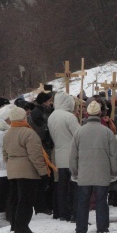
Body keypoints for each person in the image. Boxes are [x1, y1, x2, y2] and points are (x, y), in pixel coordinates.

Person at [70, 100, 117, 233]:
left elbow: (73, 155)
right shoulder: (107, 132)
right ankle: (102, 228)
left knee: (83, 201)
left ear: (86, 113)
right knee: (101, 201)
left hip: (84, 172)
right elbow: (114, 155)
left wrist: (75, 172)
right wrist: (114, 171)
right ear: (100, 113)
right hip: (102, 172)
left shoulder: (79, 132)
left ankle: (80, 229)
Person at [3, 106, 48, 233]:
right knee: (26, 200)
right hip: (27, 171)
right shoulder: (29, 133)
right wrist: (43, 172)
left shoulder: (8, 133)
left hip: (12, 170)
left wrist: (11, 164)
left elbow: (4, 154)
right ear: (24, 117)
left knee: (15, 199)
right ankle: (22, 227)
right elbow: (35, 155)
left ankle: (14, 225)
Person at [48, 91, 81, 222]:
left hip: (59, 153)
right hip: (71, 153)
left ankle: (63, 212)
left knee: (62, 186)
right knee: (74, 186)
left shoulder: (52, 116)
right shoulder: (69, 117)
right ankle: (75, 212)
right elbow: (79, 134)